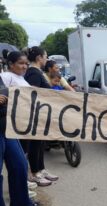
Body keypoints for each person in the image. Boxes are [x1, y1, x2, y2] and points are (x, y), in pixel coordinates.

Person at [0, 52, 39, 206]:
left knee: (19, 164)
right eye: (20, 63)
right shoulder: (6, 76)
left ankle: (20, 203)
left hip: (6, 127)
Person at [23, 46, 58, 186]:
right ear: (39, 58)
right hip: (35, 115)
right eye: (45, 56)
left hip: (41, 115)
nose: (46, 59)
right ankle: (35, 173)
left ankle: (41, 169)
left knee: (40, 143)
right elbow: (33, 96)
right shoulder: (33, 73)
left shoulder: (37, 72)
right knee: (35, 144)